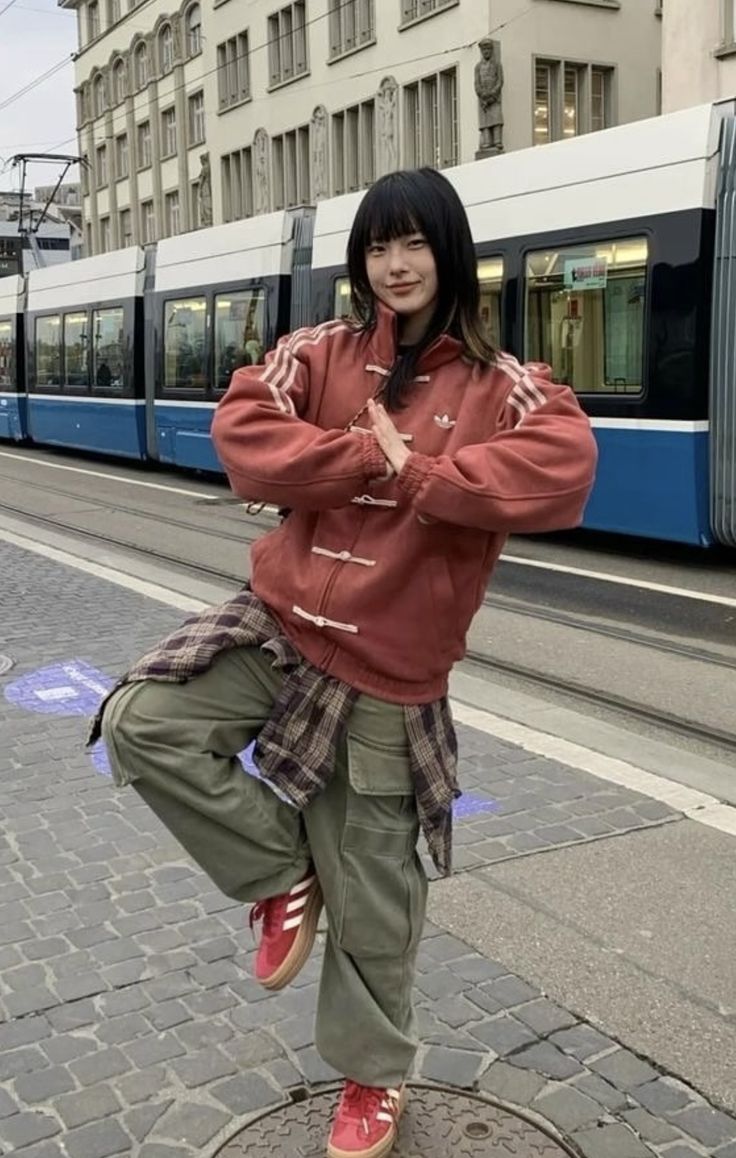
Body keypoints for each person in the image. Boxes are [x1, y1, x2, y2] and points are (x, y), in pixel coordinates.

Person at [96, 168, 597, 1158]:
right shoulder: (313, 351)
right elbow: (245, 437)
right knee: (141, 723)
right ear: (359, 262)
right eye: (376, 246)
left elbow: (565, 463)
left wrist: (427, 475)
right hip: (278, 624)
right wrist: (366, 459)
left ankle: (372, 1079)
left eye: (413, 244)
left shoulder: (509, 384)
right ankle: (281, 875)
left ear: (448, 252)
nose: (395, 265)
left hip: (388, 670)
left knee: (374, 896)